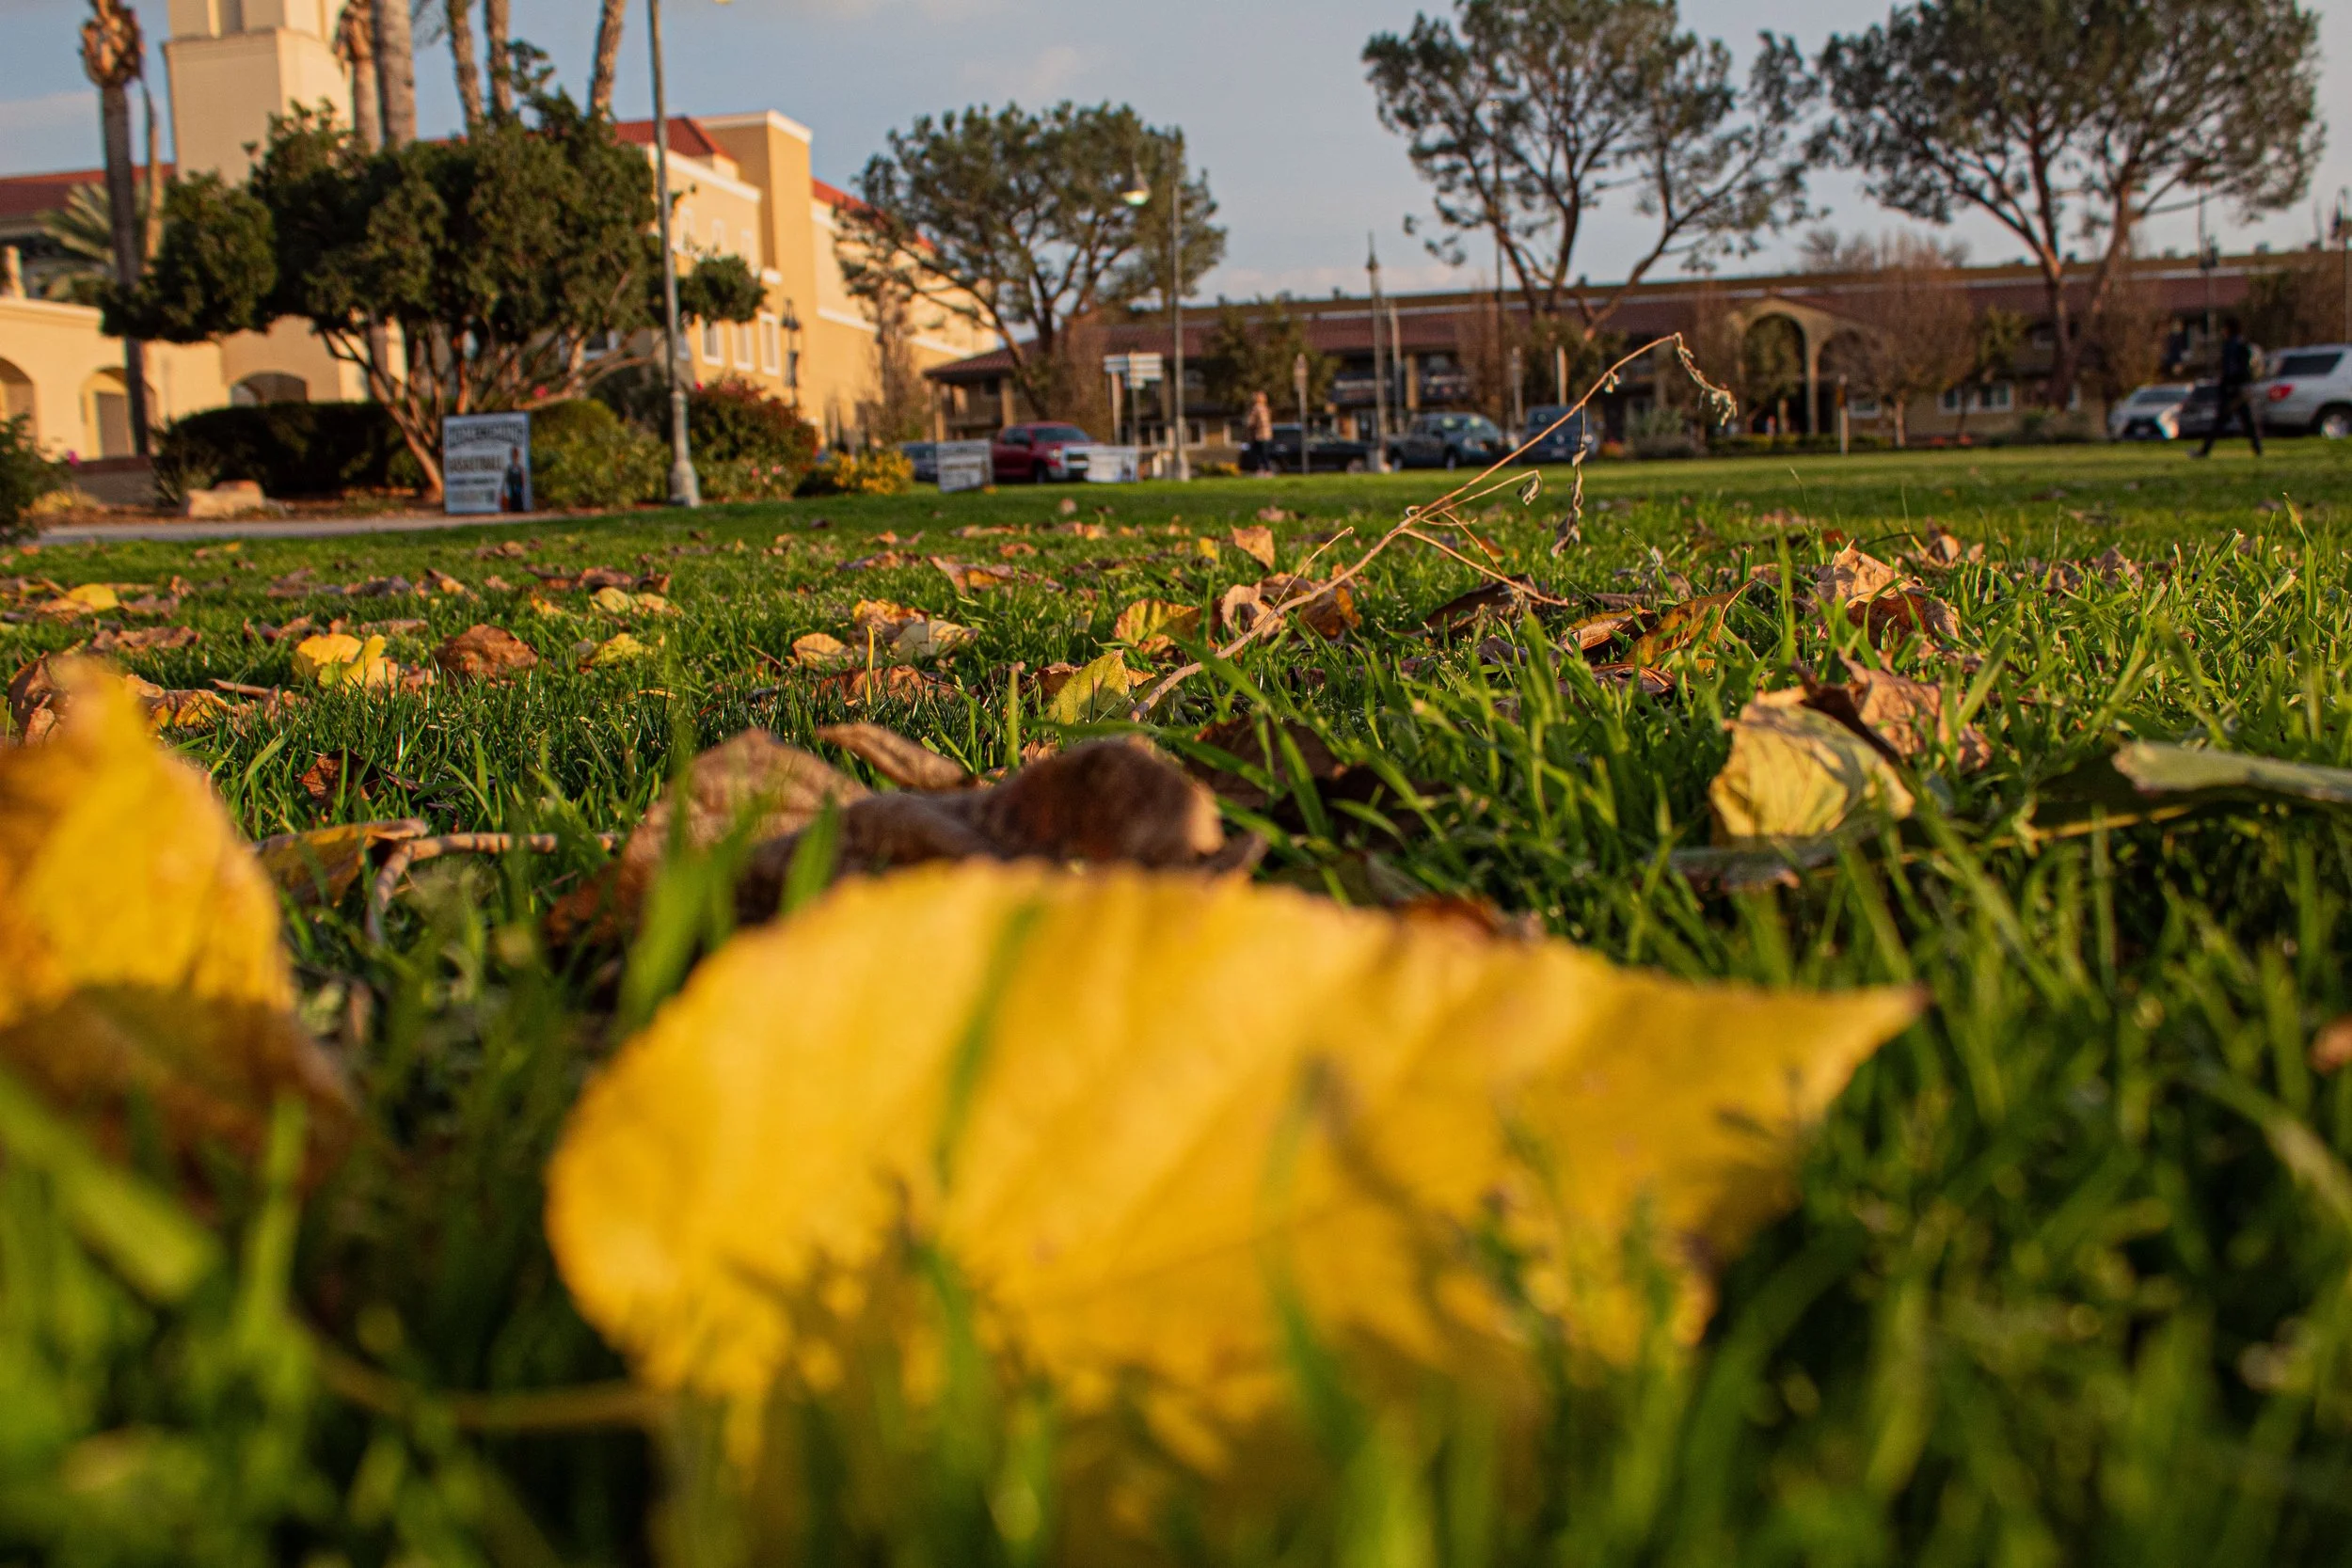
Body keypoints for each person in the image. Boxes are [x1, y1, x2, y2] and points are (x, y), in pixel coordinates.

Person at [2195, 318, 2264, 458]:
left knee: (2220, 422)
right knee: (2248, 422)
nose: (2222, 331)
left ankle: (2204, 451)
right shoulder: (2243, 344)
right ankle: (2258, 450)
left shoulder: (2231, 346)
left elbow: (2230, 369)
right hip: (2243, 389)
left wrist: (2226, 385)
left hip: (2233, 390)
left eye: (2224, 328)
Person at [1244, 390, 1274, 473]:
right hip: (1267, 435)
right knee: (1264, 454)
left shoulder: (1257, 408)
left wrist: (1248, 425)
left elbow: (1251, 422)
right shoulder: (1266, 408)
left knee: (1259, 454)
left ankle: (1263, 470)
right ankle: (1266, 470)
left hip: (1259, 435)